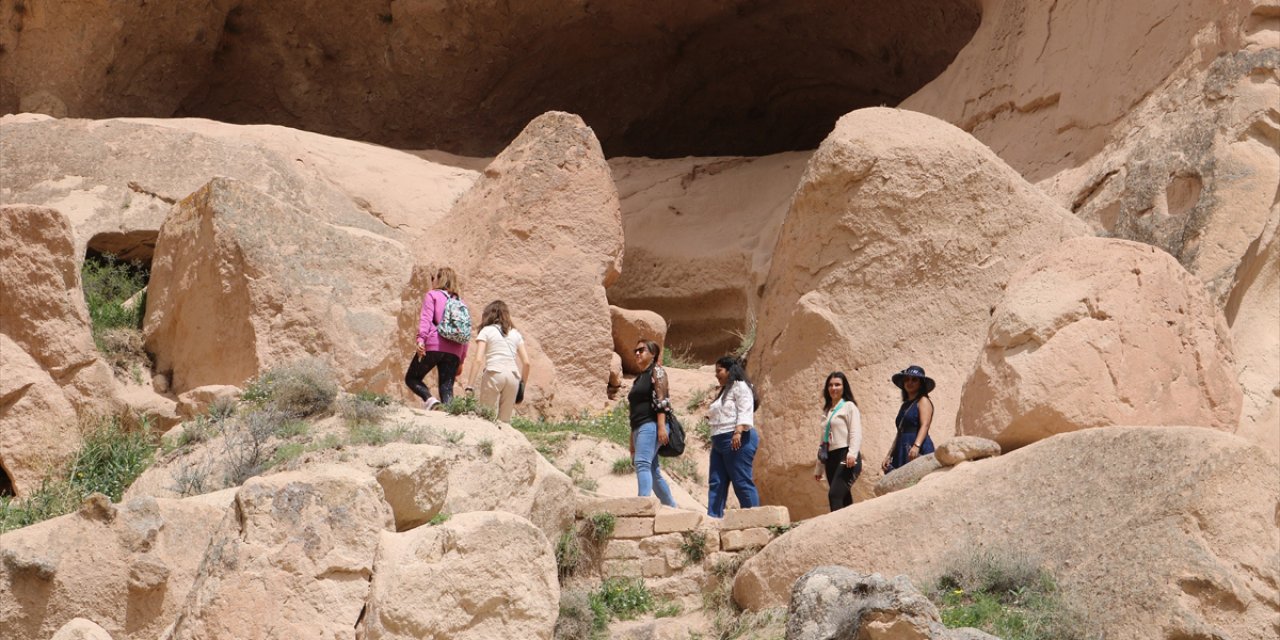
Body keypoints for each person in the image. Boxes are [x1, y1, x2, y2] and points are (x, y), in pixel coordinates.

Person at [405, 267, 468, 410]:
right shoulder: (461, 303)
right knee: (447, 388)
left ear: (440, 279)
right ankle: (451, 420)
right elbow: (466, 333)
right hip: (455, 351)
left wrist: (421, 340)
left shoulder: (432, 295)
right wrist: (461, 359)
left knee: (412, 378)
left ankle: (430, 400)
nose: (432, 281)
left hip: (435, 344)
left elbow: (426, 319)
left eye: (433, 278)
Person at [705, 356, 761, 518]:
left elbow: (745, 409)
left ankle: (754, 519)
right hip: (718, 440)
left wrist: (738, 431)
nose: (716, 375)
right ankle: (713, 519)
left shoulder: (740, 386)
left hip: (737, 438)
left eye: (719, 371)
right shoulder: (724, 390)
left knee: (741, 481)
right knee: (716, 482)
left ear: (730, 371)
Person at [463, 301, 531, 422]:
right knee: (505, 421)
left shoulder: (486, 331)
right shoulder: (515, 333)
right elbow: (526, 363)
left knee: (485, 417)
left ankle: (486, 440)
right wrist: (522, 386)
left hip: (494, 373)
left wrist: (470, 386)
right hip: (513, 376)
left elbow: (478, 360)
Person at [628, 340, 677, 507]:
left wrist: (662, 427)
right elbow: (635, 409)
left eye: (641, 350)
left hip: (651, 425)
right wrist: (632, 440)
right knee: (653, 470)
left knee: (642, 463)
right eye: (635, 350)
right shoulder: (640, 377)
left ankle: (642, 505)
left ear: (653, 354)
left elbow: (662, 400)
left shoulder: (657, 371)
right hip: (639, 427)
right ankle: (673, 508)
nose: (637, 353)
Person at [812, 371, 863, 512]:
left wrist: (852, 452)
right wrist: (819, 467)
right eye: (830, 385)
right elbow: (823, 442)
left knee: (835, 495)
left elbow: (855, 432)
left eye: (837, 385)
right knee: (844, 497)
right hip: (831, 458)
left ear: (844, 387)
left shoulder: (849, 406)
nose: (833, 388)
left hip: (846, 455)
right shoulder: (827, 411)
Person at [882, 364, 937, 473]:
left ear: (921, 383)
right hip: (902, 447)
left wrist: (916, 446)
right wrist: (889, 454)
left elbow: (925, 425)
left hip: (917, 446)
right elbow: (900, 431)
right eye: (906, 379)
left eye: (914, 380)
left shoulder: (923, 400)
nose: (909, 382)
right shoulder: (905, 405)